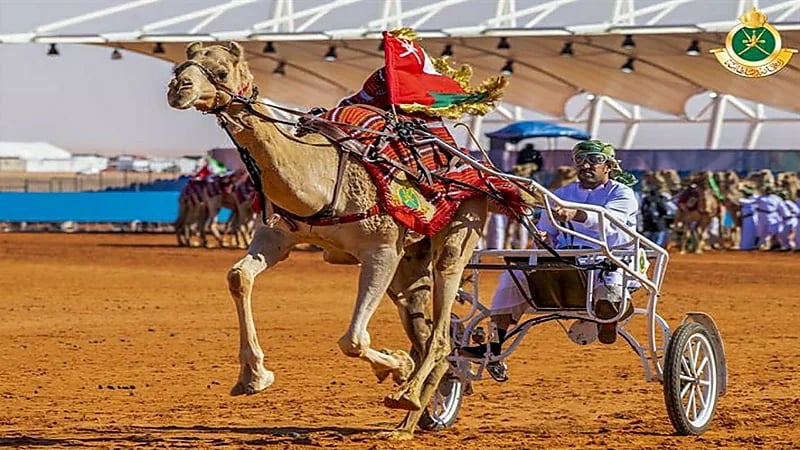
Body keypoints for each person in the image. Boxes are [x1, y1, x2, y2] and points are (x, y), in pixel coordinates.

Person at [463, 139, 639, 382]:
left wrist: (575, 214)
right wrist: (543, 237)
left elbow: (611, 223)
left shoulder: (621, 193)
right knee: (514, 275)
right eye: (580, 160)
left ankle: (609, 315)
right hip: (564, 260)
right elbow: (548, 232)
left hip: (607, 258)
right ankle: (494, 345)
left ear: (608, 165)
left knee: (608, 283)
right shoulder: (561, 194)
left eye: (594, 160)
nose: (586, 165)